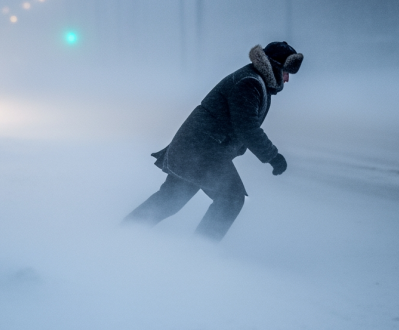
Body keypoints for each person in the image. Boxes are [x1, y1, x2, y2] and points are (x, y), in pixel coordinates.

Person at [122, 42, 304, 241]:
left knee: (170, 200)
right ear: (275, 67)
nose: (287, 79)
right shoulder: (249, 83)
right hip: (202, 151)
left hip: (195, 148)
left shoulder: (254, 80)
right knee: (231, 199)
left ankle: (121, 236)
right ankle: (200, 252)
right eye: (286, 72)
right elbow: (247, 127)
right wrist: (273, 156)